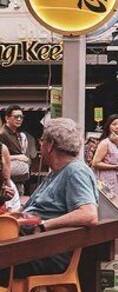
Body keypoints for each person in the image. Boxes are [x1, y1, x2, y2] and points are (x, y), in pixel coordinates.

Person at [0, 119, 98, 283]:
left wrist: (44, 225)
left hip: (45, 252)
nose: (40, 144)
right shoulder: (56, 172)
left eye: (42, 140)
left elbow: (89, 214)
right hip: (29, 246)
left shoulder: (76, 172)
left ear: (50, 145)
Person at [91, 114, 118, 201]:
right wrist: (114, 167)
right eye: (114, 124)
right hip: (107, 179)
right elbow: (95, 163)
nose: (117, 127)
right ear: (109, 126)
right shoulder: (105, 143)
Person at [0, 105, 38, 189]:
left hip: (18, 179)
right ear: (7, 118)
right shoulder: (3, 134)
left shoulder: (17, 134)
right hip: (7, 180)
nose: (19, 119)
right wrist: (19, 157)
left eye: (21, 117)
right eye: (16, 117)